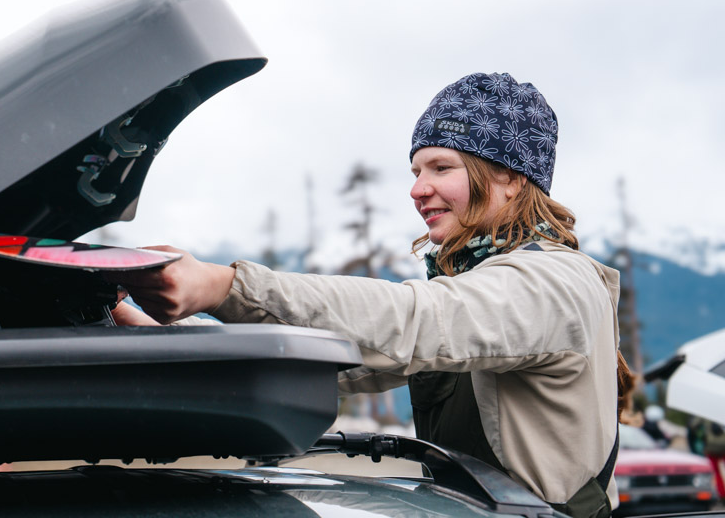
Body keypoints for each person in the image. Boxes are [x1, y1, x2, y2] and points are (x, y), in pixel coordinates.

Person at [111, 72, 629, 518]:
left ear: (512, 177)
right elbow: (336, 363)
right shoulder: (485, 285)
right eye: (416, 171)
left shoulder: (556, 283)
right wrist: (171, 342)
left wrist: (226, 286)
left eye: (441, 168)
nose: (417, 189)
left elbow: (415, 320)